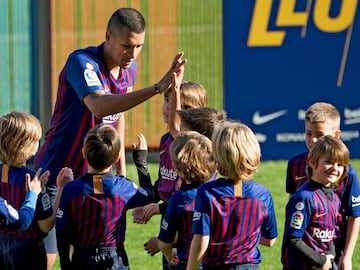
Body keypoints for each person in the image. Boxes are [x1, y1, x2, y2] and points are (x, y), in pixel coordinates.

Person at [34, 7, 186, 269]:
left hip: (95, 175)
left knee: (93, 246)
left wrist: (121, 167)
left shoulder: (129, 70)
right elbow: (100, 105)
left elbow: (118, 113)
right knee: (47, 253)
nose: (133, 54)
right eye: (127, 45)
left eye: (139, 46)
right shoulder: (81, 62)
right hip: (57, 168)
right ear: (108, 36)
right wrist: (157, 89)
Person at [56, 123, 155, 270]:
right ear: (117, 157)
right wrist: (141, 160)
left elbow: (61, 233)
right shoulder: (123, 188)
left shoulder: (71, 190)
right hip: (115, 260)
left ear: (84, 153)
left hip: (82, 260)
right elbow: (149, 195)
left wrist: (65, 264)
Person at [186, 120, 278, 270]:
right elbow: (270, 240)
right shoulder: (262, 195)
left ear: (217, 156)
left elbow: (202, 238)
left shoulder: (208, 192)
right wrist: (242, 234)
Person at [285, 102, 360, 269]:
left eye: (320, 135)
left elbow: (354, 216)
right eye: (308, 133)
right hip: (301, 246)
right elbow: (291, 208)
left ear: (336, 135)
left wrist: (346, 257)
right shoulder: (294, 164)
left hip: (332, 246)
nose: (313, 141)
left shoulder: (346, 172)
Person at [0, 111, 72, 270]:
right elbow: (46, 225)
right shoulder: (34, 181)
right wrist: (61, 189)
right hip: (26, 254)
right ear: (26, 145)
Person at [282, 135, 350, 270]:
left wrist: (329, 255)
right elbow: (293, 240)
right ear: (312, 162)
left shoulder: (334, 198)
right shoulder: (304, 198)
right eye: (329, 162)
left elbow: (330, 233)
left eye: (340, 164)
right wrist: (320, 261)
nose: (335, 168)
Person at [158, 131, 216, 269]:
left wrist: (169, 254)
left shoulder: (179, 200)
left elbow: (164, 242)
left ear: (180, 169)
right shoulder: (219, 193)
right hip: (217, 262)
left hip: (187, 262)